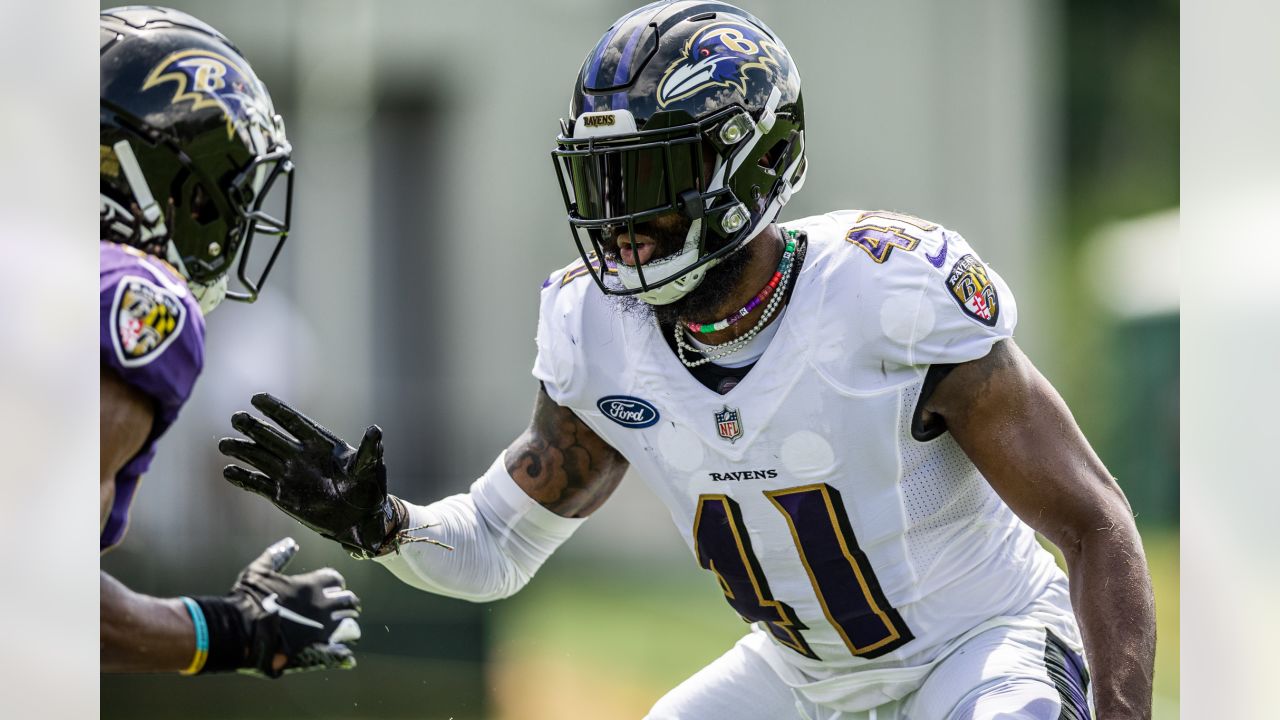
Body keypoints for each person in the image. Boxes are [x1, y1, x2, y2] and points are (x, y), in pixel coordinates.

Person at [219, 1, 1154, 716]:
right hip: (799, 679)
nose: (619, 219)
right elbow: (499, 545)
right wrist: (383, 523)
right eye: (603, 178)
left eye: (651, 177)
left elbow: (1093, 523)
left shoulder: (892, 291)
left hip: (978, 646)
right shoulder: (597, 330)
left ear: (749, 167)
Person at [100, 6, 361, 678]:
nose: (233, 219)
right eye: (221, 191)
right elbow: (32, 598)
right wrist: (237, 630)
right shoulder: (129, 301)